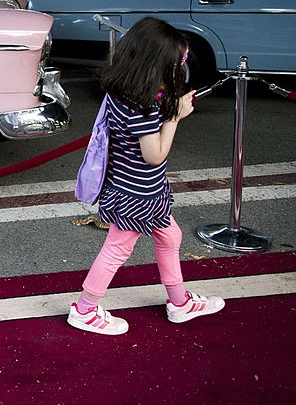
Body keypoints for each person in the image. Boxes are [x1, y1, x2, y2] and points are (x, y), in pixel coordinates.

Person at [67, 17, 224, 335]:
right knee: (117, 248)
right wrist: (175, 117)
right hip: (137, 194)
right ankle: (84, 309)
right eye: (174, 65)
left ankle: (179, 302)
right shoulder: (144, 106)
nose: (177, 71)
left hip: (141, 189)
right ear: (156, 66)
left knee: (170, 237)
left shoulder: (123, 92)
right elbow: (154, 155)